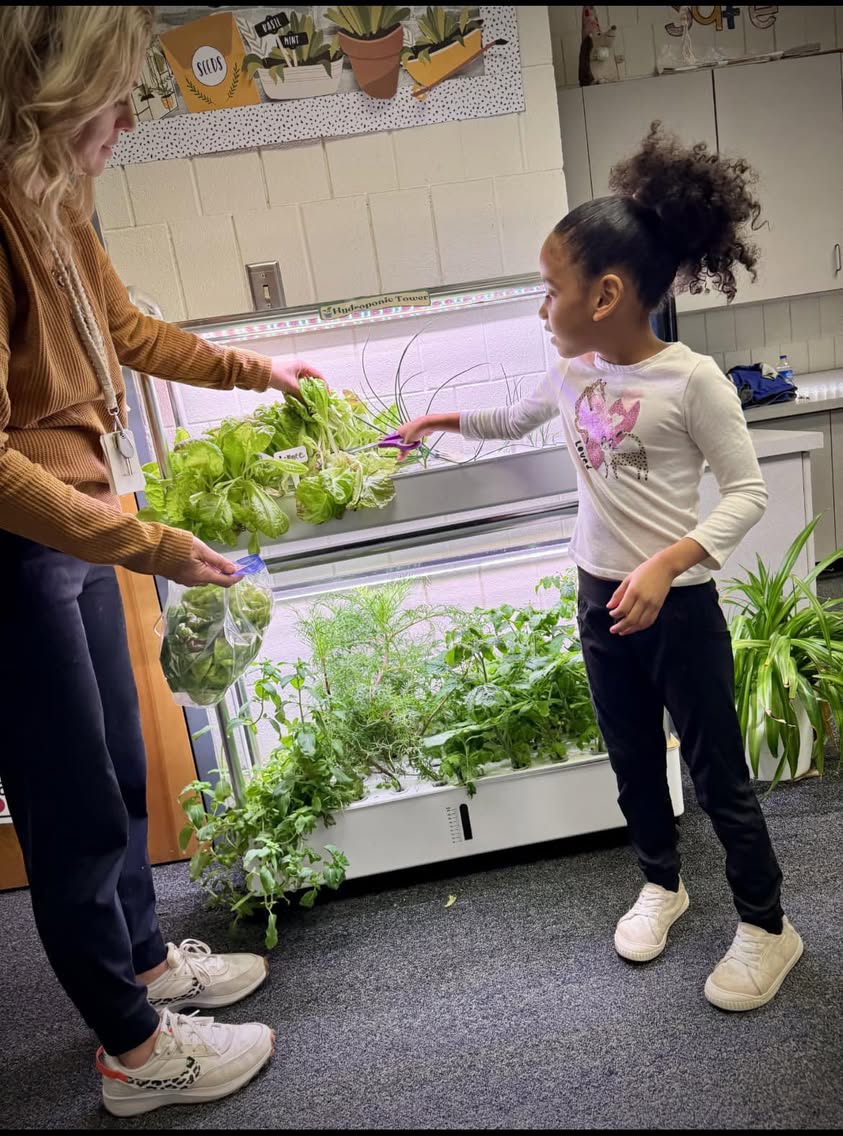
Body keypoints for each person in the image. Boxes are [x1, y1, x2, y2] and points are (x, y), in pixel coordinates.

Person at [396, 123, 804, 1012]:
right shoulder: (572, 371)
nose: (542, 310)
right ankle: (663, 881)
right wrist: (438, 425)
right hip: (599, 598)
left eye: (550, 291)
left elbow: (745, 495)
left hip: (678, 608)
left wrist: (666, 563)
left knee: (716, 772)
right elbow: (510, 422)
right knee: (630, 763)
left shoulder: (692, 382)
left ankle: (769, 927)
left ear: (606, 292)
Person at [0, 6, 325, 1117]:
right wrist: (150, 544)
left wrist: (255, 367)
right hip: (20, 541)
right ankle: (135, 1051)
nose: (132, 117)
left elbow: (127, 330)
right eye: (114, 93)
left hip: (80, 518)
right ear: (47, 89)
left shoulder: (55, 200)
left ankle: (144, 963)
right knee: (69, 798)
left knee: (123, 762)